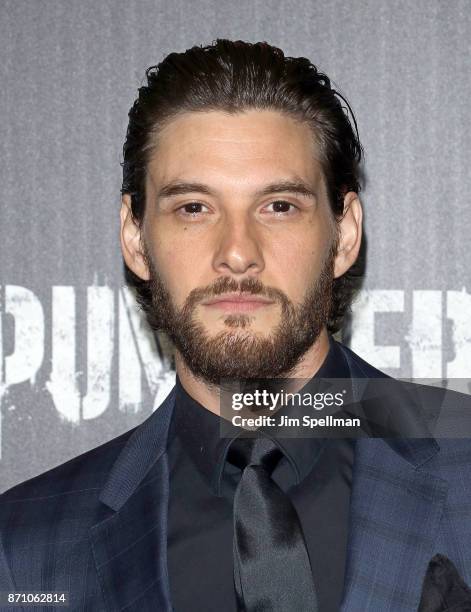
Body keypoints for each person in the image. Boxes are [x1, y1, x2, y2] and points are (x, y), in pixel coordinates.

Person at [0, 38, 470, 612]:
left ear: (344, 234)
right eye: (193, 207)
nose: (238, 253)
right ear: (134, 236)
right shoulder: (26, 549)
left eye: (279, 206)